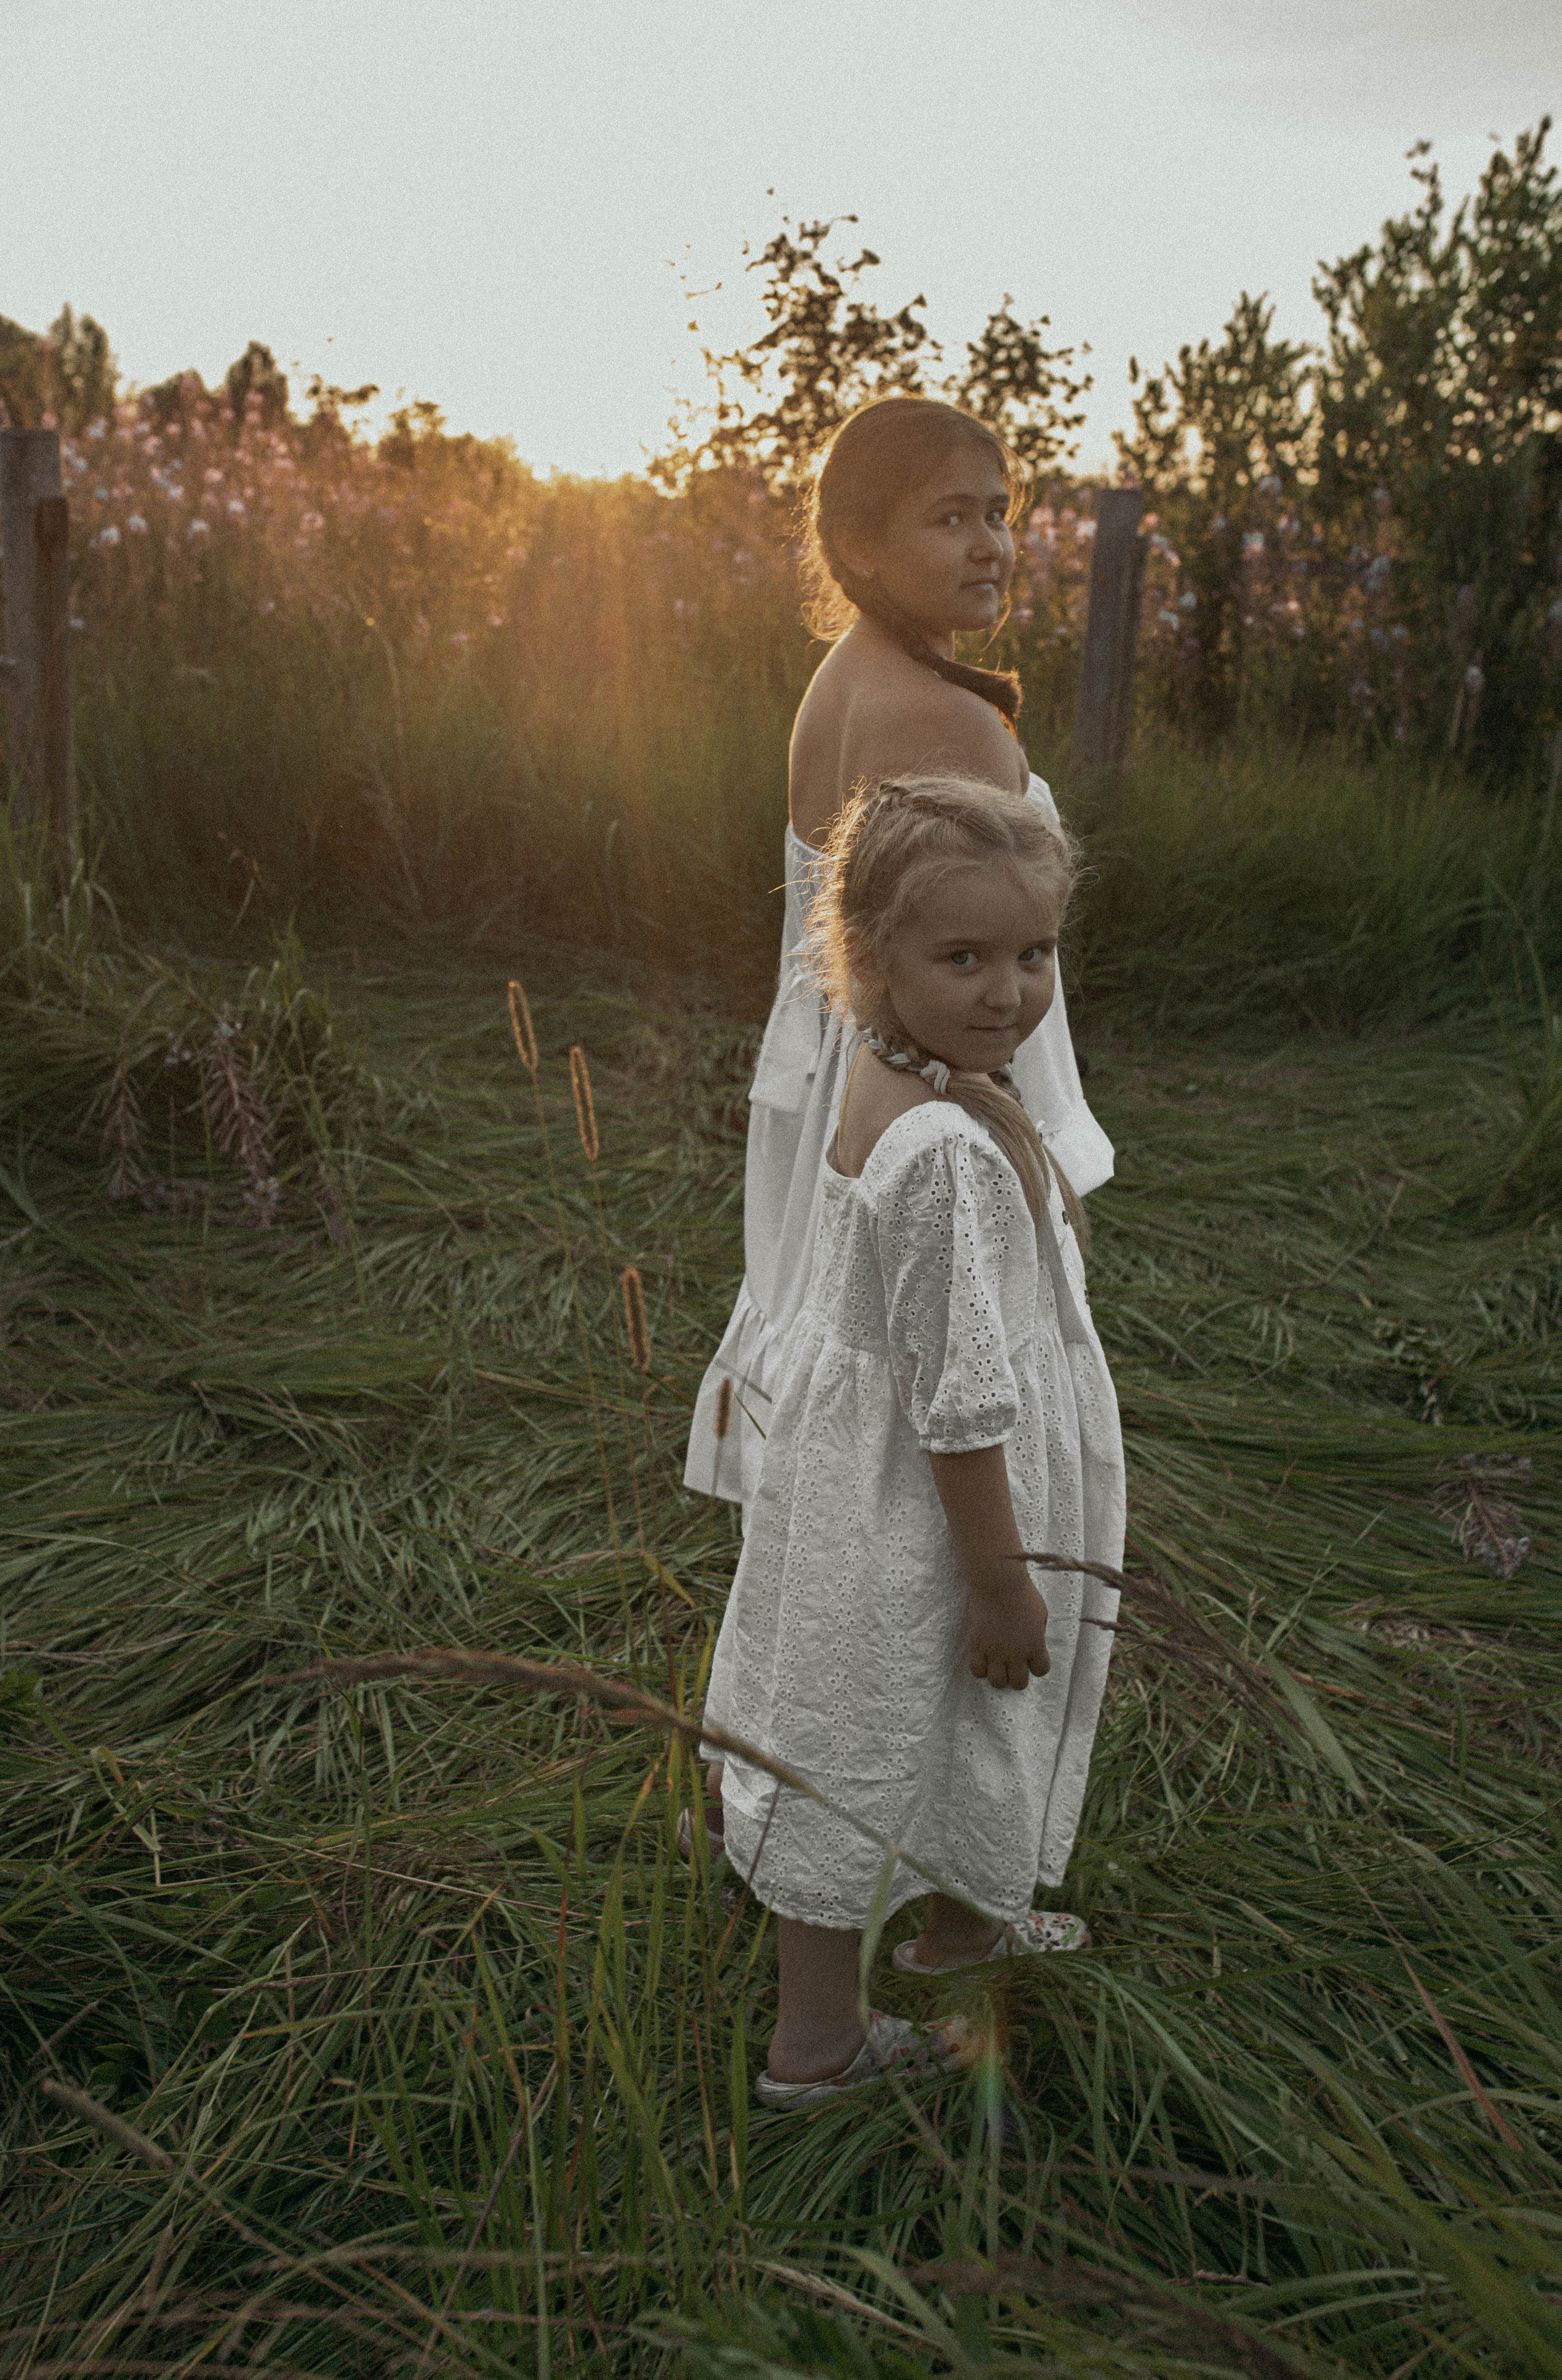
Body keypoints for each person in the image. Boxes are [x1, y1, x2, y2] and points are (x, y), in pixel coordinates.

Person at [702, 776, 1126, 2111]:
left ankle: (961, 1924)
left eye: (1033, 953)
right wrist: (1000, 1579)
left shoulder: (893, 1066)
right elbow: (956, 1398)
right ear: (870, 953)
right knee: (864, 1734)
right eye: (965, 958)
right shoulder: (941, 1144)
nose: (1008, 992)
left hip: (858, 1473)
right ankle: (817, 2044)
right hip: (936, 1504)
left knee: (933, 1714)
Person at [684, 395, 1113, 1509]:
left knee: (852, 1350)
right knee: (948, 1355)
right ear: (859, 546)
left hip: (848, 1064)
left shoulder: (847, 675)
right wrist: (995, 1114)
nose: (989, 545)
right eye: (949, 518)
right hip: (932, 1070)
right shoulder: (939, 718)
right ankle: (968, 1572)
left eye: (999, 513)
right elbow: (966, 953)